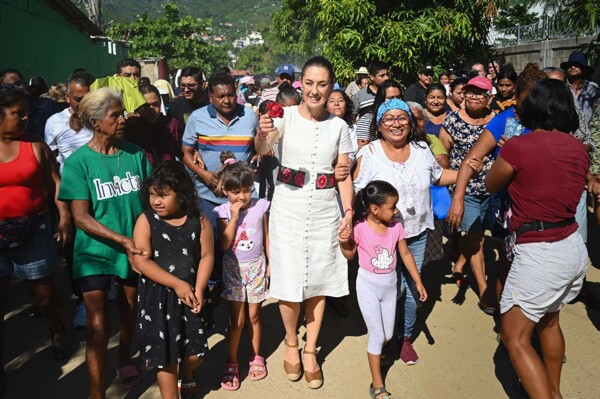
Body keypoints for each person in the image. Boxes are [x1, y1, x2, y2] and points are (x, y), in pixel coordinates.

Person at [353, 99, 480, 365]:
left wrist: (464, 171)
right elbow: (357, 191)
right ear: (379, 125)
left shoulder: (422, 149)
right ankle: (382, 338)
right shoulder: (370, 154)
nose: (396, 123)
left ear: (411, 123)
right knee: (388, 287)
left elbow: (437, 176)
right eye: (389, 119)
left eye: (402, 118)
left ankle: (405, 336)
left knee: (411, 286)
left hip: (417, 232)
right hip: (383, 236)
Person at [486, 78, 589, 399]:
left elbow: (493, 183)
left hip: (539, 252)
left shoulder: (519, 146)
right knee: (549, 322)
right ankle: (554, 392)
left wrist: (502, 155)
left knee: (514, 336)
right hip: (571, 246)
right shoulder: (578, 148)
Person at [256, 56, 355, 390]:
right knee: (290, 278)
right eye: (309, 83)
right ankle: (291, 342)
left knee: (321, 279)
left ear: (331, 87)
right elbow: (262, 148)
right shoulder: (282, 117)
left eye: (322, 84)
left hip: (327, 210)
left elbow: (343, 175)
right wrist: (263, 134)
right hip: (289, 208)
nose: (315, 90)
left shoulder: (340, 127)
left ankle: (311, 348)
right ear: (301, 84)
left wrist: (349, 212)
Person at [58, 88, 152, 399]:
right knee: (98, 326)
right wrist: (120, 239)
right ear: (97, 123)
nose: (123, 119)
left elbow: (151, 202)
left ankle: (124, 359)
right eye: (115, 115)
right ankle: (96, 392)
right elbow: (81, 218)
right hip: (94, 253)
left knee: (130, 311)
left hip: (133, 250)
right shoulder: (78, 163)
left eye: (122, 113)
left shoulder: (136, 155)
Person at [446, 63, 546, 298]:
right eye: (526, 98)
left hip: (536, 201)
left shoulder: (550, 121)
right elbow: (469, 159)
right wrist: (457, 198)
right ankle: (490, 294)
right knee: (499, 249)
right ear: (517, 96)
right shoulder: (504, 120)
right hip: (501, 196)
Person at [0, 89, 73, 380]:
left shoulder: (35, 145)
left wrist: (64, 217)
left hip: (34, 230)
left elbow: (56, 182)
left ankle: (56, 327)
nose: (26, 117)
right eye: (19, 113)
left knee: (43, 298)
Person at [132, 161, 213, 399]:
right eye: (152, 195)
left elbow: (207, 255)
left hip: (191, 293)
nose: (156, 201)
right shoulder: (146, 220)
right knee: (165, 355)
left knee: (194, 353)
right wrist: (176, 284)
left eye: (164, 195)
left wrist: (197, 289)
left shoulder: (198, 220)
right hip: (158, 296)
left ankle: (187, 373)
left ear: (182, 194)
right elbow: (141, 262)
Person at [339, 181, 427, 399]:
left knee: (387, 334)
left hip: (390, 288)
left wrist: (418, 281)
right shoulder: (359, 228)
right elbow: (350, 255)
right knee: (378, 336)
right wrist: (343, 242)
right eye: (392, 207)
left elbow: (405, 254)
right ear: (375, 210)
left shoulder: (396, 227)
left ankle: (379, 354)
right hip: (367, 286)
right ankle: (378, 385)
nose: (396, 211)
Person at [213, 153, 270, 390]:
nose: (242, 196)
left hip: (257, 267)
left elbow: (267, 237)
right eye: (236, 192)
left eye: (246, 190)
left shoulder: (261, 206)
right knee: (236, 320)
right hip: (233, 269)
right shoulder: (222, 212)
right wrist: (234, 216)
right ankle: (232, 360)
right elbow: (225, 244)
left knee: (254, 316)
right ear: (225, 190)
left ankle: (256, 356)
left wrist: (271, 264)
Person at [439, 76, 496, 314]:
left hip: (493, 189)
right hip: (466, 190)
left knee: (479, 231)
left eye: (479, 93)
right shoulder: (452, 121)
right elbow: (443, 153)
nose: (473, 96)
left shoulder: (498, 120)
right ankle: (484, 291)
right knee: (476, 238)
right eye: (470, 92)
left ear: (489, 98)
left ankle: (460, 264)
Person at [44, 69, 95, 328]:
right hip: (74, 197)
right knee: (77, 250)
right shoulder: (54, 123)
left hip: (103, 193)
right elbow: (51, 169)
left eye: (87, 98)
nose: (82, 104)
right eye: (77, 99)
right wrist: (62, 212)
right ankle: (83, 302)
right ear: (67, 97)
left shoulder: (101, 118)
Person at [125, 84, 178, 166]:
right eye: (146, 106)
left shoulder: (171, 123)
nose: (152, 109)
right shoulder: (131, 127)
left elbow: (183, 151)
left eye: (155, 104)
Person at [0, 69, 59, 137]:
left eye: (18, 84)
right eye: (8, 86)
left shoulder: (46, 106)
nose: (15, 88)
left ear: (25, 85)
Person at [169, 66, 210, 152]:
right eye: (183, 85)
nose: (186, 90)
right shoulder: (175, 106)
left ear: (202, 85)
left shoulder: (212, 104)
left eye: (191, 85)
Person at [353, 61, 390, 143]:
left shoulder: (392, 93)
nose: (386, 78)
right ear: (372, 77)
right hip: (368, 141)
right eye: (382, 75)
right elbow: (353, 118)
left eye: (387, 74)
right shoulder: (360, 95)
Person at [561, 51, 600, 128]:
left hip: (589, 134)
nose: (572, 67)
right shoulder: (561, 88)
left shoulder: (593, 89)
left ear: (584, 68)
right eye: (570, 65)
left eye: (576, 65)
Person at [327, 89, 356, 153]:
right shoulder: (321, 128)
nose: (336, 104)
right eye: (332, 101)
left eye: (340, 100)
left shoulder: (354, 129)